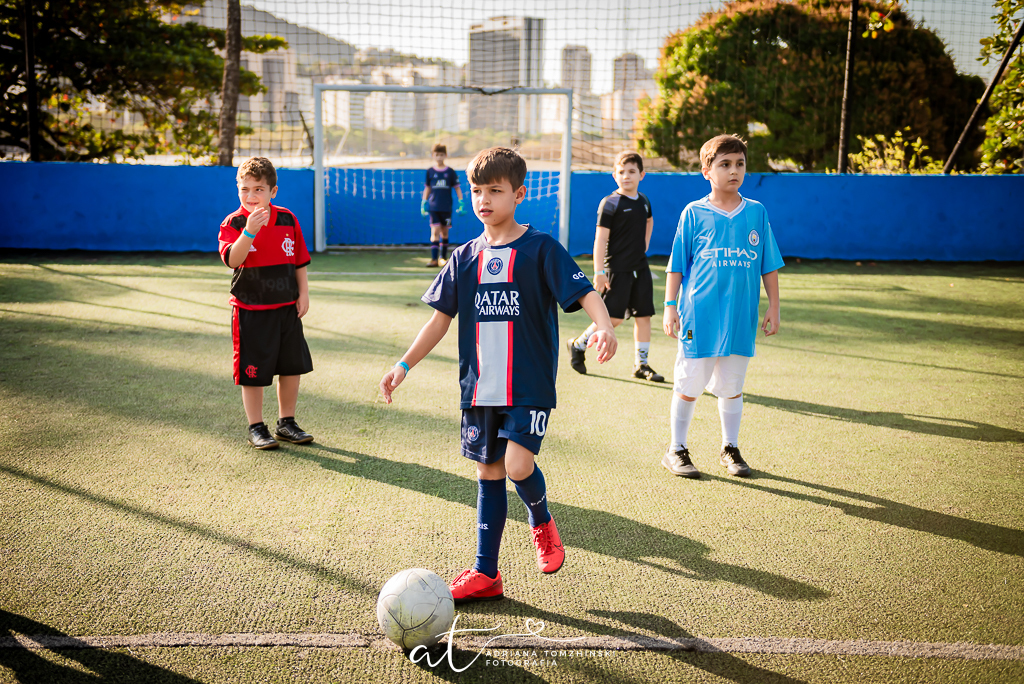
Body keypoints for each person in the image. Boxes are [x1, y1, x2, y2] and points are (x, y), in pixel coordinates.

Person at [380, 147, 617, 604]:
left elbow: (584, 292)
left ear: (519, 193)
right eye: (476, 191)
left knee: (517, 465)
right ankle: (486, 573)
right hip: (479, 387)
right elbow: (439, 320)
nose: (483, 199)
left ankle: (542, 520)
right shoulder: (465, 255)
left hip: (528, 384)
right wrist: (403, 365)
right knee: (488, 472)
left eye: (495, 190)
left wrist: (604, 326)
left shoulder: (540, 248)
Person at [662, 134, 783, 479]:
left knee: (732, 387)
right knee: (688, 386)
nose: (734, 171)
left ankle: (730, 447)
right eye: (725, 164)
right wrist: (670, 305)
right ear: (706, 171)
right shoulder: (694, 213)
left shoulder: (756, 212)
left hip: (740, 319)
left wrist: (773, 306)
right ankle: (676, 449)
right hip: (698, 318)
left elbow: (768, 264)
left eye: (740, 164)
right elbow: (677, 265)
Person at [218, 157, 315, 451]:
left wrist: (303, 293)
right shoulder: (234, 223)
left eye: (258, 189)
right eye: (245, 189)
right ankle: (256, 427)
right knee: (254, 372)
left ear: (273, 191)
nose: (250, 196)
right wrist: (249, 231)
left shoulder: (287, 218)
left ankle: (286, 422)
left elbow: (298, 260)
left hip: (286, 308)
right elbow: (233, 259)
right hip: (251, 310)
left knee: (291, 367)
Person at [566, 151, 664, 383]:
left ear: (642, 174)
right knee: (613, 319)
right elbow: (600, 239)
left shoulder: (644, 200)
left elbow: (649, 220)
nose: (626, 176)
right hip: (616, 269)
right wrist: (599, 272)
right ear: (614, 175)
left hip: (640, 266)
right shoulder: (609, 203)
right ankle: (578, 344)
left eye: (632, 171)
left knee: (644, 316)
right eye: (621, 172)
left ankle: (641, 364)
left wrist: (645, 244)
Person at [421, 143, 465, 267]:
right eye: (436, 155)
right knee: (434, 232)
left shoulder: (450, 172)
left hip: (446, 207)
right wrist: (423, 202)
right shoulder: (430, 172)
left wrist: (461, 202)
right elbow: (427, 188)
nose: (439, 157)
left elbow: (457, 188)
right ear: (432, 156)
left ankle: (443, 258)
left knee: (444, 233)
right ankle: (434, 259)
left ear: (445, 155)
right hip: (433, 207)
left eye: (441, 155)